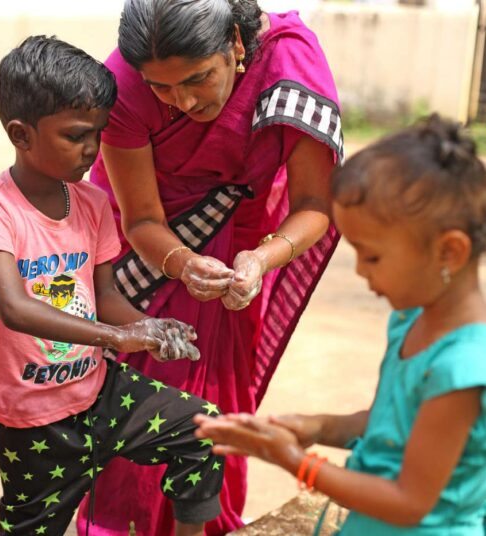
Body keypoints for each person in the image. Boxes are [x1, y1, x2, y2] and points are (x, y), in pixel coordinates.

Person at [77, 0, 342, 533]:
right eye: (163, 88)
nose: (184, 101)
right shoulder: (122, 85)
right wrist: (183, 263)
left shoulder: (289, 61)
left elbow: (315, 205)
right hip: (143, 263)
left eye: (199, 78)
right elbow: (142, 218)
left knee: (215, 404)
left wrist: (260, 260)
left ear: (237, 48)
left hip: (241, 252)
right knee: (135, 409)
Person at [0, 35, 225, 536]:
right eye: (76, 135)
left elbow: (103, 297)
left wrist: (147, 326)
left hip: (100, 391)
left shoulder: (92, 203)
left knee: (204, 430)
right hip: (34, 418)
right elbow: (14, 308)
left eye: (97, 134)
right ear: (21, 134)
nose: (91, 149)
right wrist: (114, 338)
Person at [196, 115, 486, 535]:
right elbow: (389, 423)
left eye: (372, 257)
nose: (362, 274)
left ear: (450, 252)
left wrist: (295, 462)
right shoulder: (410, 320)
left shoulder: (460, 369)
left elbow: (409, 503)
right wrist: (316, 427)